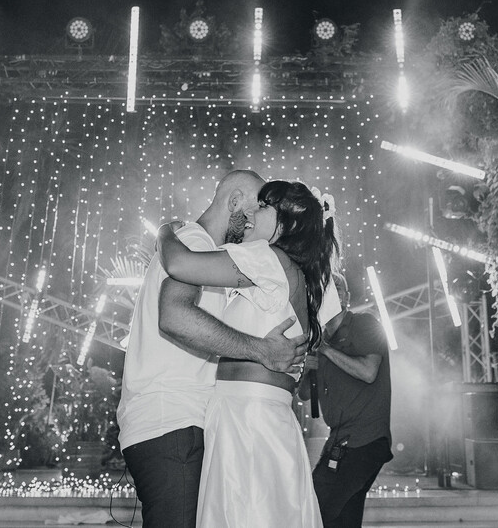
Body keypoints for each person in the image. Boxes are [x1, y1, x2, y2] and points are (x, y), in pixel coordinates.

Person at [116, 170, 308, 528]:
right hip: (174, 421)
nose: (251, 219)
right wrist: (261, 350)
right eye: (252, 208)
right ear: (234, 202)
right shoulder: (197, 244)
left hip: (176, 423)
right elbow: (174, 317)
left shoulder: (204, 249)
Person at [157, 179, 341, 528]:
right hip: (250, 416)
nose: (251, 213)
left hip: (249, 420)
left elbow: (179, 264)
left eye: (264, 206)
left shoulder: (271, 258)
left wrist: (165, 233)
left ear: (287, 222)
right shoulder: (288, 269)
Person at [299, 272, 393, 528]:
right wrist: (307, 365)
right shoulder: (320, 340)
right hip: (340, 440)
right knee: (344, 518)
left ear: (347, 297)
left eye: (337, 288)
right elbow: (305, 394)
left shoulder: (364, 323)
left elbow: (368, 372)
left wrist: (325, 350)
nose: (330, 292)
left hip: (365, 440)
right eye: (324, 288)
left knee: (317, 508)